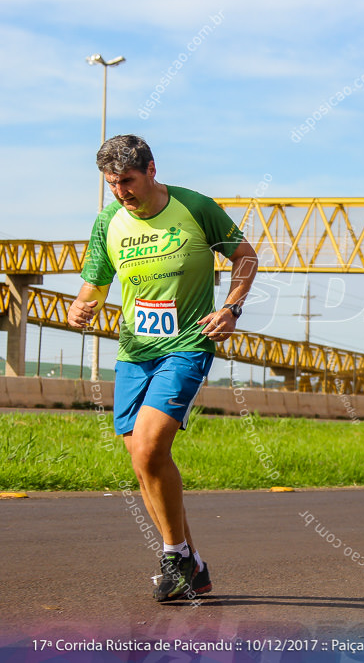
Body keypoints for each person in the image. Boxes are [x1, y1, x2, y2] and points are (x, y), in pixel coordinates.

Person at [68, 135, 258, 601]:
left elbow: (246, 257)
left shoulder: (195, 207)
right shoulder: (109, 220)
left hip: (187, 345)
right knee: (142, 461)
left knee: (151, 448)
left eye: (127, 181)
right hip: (134, 351)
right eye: (111, 183)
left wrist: (231, 309)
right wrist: (82, 306)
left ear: (151, 170)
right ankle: (192, 565)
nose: (120, 192)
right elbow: (94, 283)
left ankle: (173, 555)